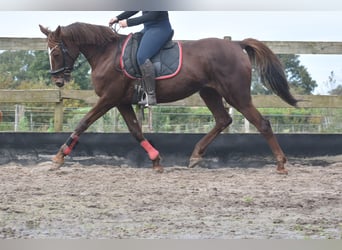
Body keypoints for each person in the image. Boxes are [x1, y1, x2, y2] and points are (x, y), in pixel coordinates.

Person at [109, 11, 173, 106]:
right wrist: (117, 17)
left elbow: (152, 15)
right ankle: (138, 88)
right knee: (132, 47)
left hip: (160, 29)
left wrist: (128, 22)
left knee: (142, 57)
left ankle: (151, 95)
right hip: (148, 29)